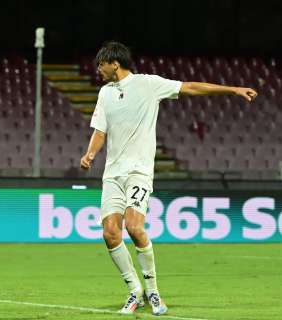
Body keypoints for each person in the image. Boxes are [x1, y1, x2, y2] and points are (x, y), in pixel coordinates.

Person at [80, 42, 257, 315]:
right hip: (112, 174)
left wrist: (232, 89)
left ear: (114, 62)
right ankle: (134, 291)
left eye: (100, 63)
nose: (98, 69)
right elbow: (100, 130)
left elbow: (191, 87)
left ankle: (153, 291)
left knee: (135, 227)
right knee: (109, 233)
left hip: (138, 171)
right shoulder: (105, 94)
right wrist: (90, 154)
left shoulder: (149, 84)